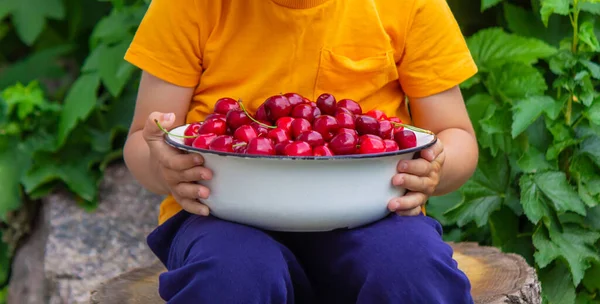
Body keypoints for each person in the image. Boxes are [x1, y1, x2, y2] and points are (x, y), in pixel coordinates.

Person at [122, 0, 480, 303]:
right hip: (220, 216)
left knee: (411, 271)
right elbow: (143, 138)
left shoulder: (409, 6)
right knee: (230, 275)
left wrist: (435, 169)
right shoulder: (188, 6)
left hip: (372, 213)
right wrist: (165, 167)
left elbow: (456, 134)